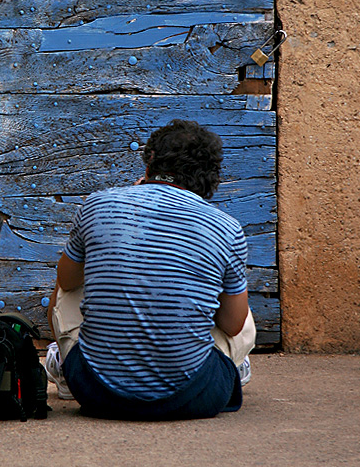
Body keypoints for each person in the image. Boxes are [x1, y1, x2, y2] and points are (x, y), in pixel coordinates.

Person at [45, 119, 256, 419]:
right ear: (210, 178)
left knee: (68, 281)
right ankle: (230, 365)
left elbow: (66, 280)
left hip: (95, 391)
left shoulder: (97, 204)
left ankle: (66, 370)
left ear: (149, 164)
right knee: (236, 301)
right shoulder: (227, 228)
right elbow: (234, 325)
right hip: (196, 396)